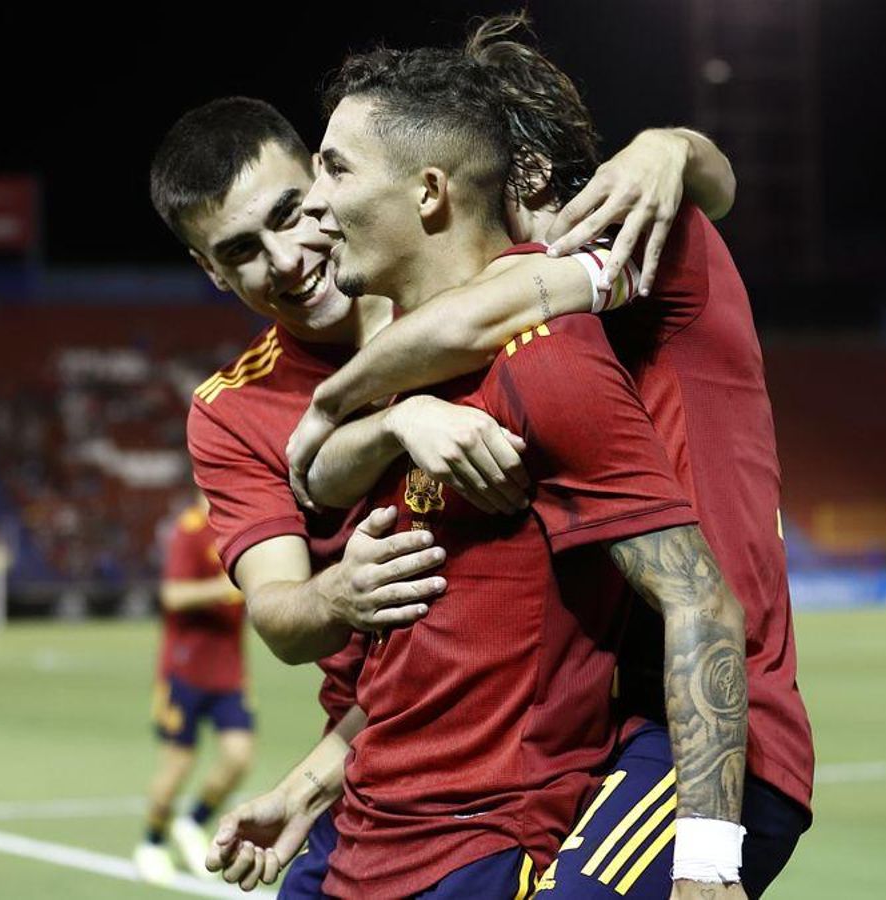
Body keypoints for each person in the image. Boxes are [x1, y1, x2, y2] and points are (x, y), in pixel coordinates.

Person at [149, 88, 735, 896]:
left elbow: (690, 216)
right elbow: (285, 619)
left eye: (291, 212)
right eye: (242, 249)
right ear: (209, 269)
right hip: (372, 770)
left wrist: (670, 142)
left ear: (325, 184)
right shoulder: (231, 410)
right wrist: (344, 585)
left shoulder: (475, 296)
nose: (286, 259)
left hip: (505, 787)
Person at [134, 496, 256, 884]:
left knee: (239, 756)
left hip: (228, 674)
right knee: (178, 764)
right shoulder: (190, 530)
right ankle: (151, 843)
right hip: (184, 672)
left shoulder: (244, 523)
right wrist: (221, 587)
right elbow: (173, 595)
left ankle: (193, 821)